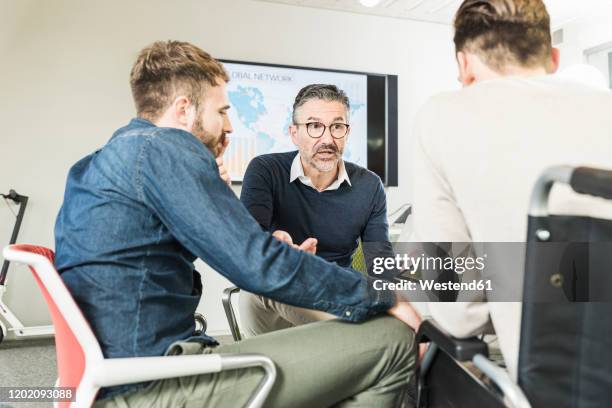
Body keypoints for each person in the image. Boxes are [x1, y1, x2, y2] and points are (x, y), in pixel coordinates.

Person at [54, 40, 421, 407]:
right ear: (184, 110)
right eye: (222, 111)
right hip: (151, 387)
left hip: (116, 375)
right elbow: (255, 262)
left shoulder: (111, 157)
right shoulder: (165, 150)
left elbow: (157, 254)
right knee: (394, 339)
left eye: (337, 126)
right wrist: (385, 298)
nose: (229, 124)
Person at [410, 0, 612, 379]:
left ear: (464, 65)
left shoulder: (441, 116)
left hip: (564, 386)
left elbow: (458, 312)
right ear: (553, 59)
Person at [239, 84, 396, 336]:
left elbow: (382, 265)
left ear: (347, 132)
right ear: (294, 133)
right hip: (275, 296)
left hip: (336, 293)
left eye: (337, 126)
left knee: (390, 301)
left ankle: (364, 338)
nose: (327, 139)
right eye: (314, 126)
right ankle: (362, 336)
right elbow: (246, 247)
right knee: (275, 278)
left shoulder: (369, 185)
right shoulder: (265, 170)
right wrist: (277, 253)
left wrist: (394, 300)